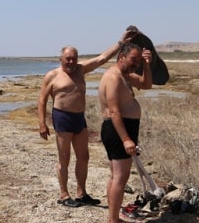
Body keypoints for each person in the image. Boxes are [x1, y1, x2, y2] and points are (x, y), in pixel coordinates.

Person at [38, 30, 136, 207]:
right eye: (67, 58)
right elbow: (42, 99)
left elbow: (102, 58)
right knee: (64, 158)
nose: (71, 62)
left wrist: (121, 43)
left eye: (74, 58)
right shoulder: (52, 75)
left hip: (79, 119)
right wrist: (42, 124)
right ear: (61, 59)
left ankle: (81, 193)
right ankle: (64, 195)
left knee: (83, 157)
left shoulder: (80, 70)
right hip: (62, 118)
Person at [98, 42, 152, 223]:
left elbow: (147, 84)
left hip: (120, 129)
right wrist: (126, 139)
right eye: (133, 59)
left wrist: (146, 64)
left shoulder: (125, 75)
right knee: (120, 177)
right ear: (122, 57)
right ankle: (113, 222)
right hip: (118, 129)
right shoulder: (113, 77)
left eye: (138, 60)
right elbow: (114, 111)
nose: (135, 63)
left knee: (115, 176)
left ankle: (114, 215)